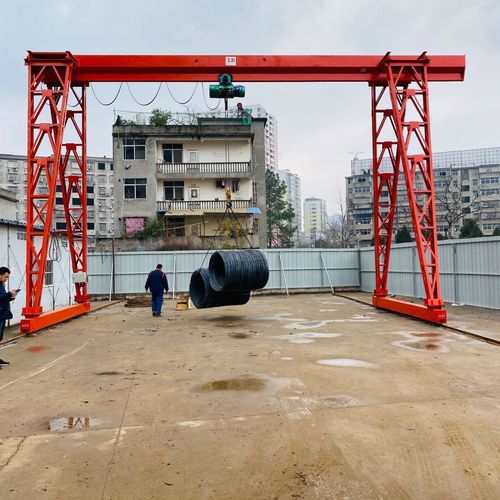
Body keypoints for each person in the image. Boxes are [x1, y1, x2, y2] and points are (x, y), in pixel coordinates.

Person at [0, 266, 18, 365]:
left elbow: (3, 299)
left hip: (2, 314)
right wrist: (8, 294)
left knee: (0, 337)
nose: (6, 279)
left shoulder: (1, 285)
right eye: (5, 276)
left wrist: (11, 297)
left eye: (7, 277)